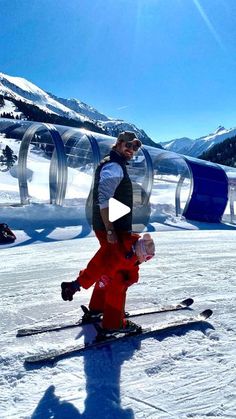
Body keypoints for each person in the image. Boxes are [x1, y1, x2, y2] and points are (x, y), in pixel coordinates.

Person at [61, 131, 155, 338]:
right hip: (112, 228)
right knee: (120, 274)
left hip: (114, 226)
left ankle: (98, 308)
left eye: (135, 147)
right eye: (128, 145)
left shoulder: (115, 164)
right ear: (118, 143)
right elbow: (104, 199)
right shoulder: (113, 166)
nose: (131, 150)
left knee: (108, 265)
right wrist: (111, 229)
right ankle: (113, 322)